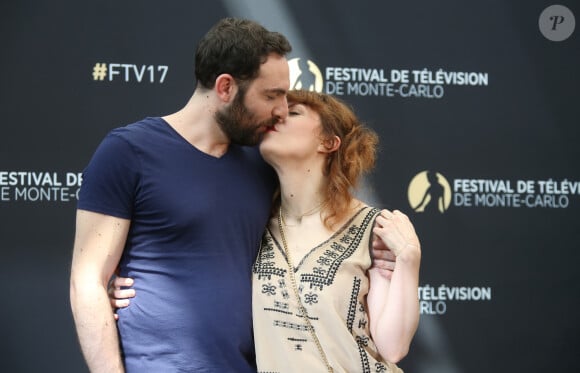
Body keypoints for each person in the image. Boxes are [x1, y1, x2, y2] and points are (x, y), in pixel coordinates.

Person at [112, 90, 421, 372]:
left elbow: (393, 347)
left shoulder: (374, 227)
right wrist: (139, 290)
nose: (279, 116)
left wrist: (409, 260)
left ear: (329, 142)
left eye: (295, 113)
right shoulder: (251, 225)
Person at [69, 17, 292, 373]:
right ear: (225, 87)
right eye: (271, 95)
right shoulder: (128, 152)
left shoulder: (266, 164)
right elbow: (88, 280)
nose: (281, 110)